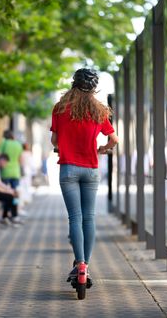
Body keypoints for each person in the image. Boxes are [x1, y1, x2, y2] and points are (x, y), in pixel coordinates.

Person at [50, 68, 119, 281]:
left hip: (68, 168)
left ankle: (78, 263)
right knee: (89, 217)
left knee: (75, 217)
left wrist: (61, 146)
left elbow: (54, 140)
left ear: (73, 83)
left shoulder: (60, 108)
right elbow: (114, 140)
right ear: (94, 88)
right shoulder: (99, 111)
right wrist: (101, 149)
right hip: (91, 169)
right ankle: (85, 267)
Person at [0, 130, 23, 221]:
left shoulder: (4, 143)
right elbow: (21, 160)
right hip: (16, 172)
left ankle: (6, 214)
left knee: (6, 193)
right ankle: (15, 214)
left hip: (5, 172)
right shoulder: (18, 144)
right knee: (15, 193)